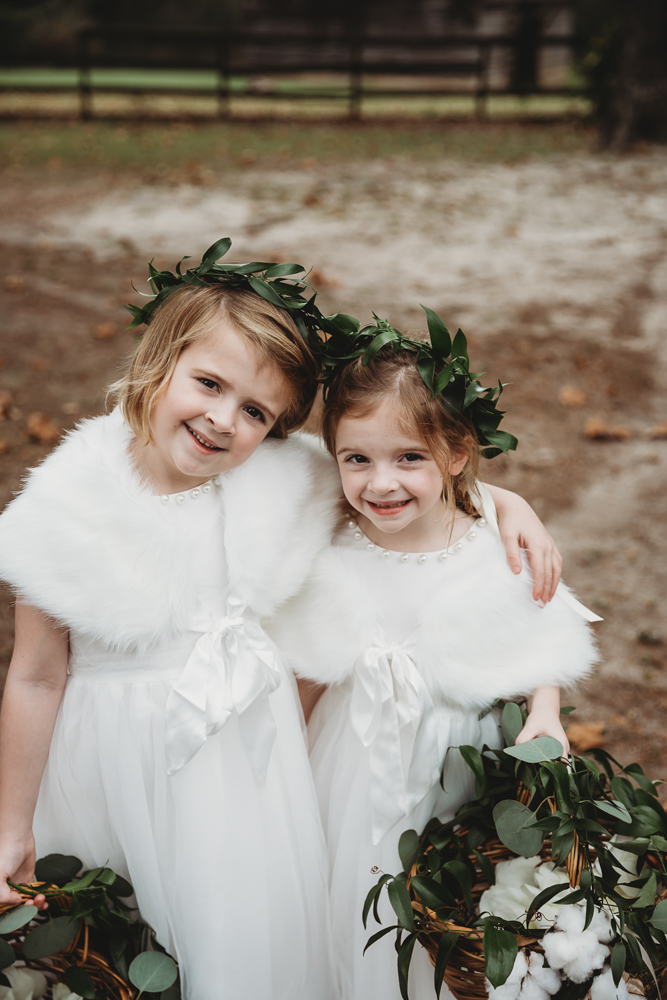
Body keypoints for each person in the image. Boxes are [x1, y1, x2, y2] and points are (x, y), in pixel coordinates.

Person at [0, 243, 562, 999]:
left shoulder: (279, 480)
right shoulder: (65, 505)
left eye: (256, 412)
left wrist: (504, 504)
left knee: (242, 950)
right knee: (115, 946)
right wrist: (12, 823)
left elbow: (399, 477)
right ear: (160, 359)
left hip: (250, 780)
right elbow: (35, 674)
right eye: (207, 383)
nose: (222, 421)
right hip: (113, 768)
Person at [267, 322, 600, 1000]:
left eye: (407, 458)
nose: (380, 482)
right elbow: (307, 669)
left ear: (455, 454)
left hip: (458, 763)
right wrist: (283, 772)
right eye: (355, 459)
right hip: (351, 765)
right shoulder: (331, 548)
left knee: (450, 909)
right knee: (357, 904)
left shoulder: (493, 549)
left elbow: (539, 640)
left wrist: (544, 715)